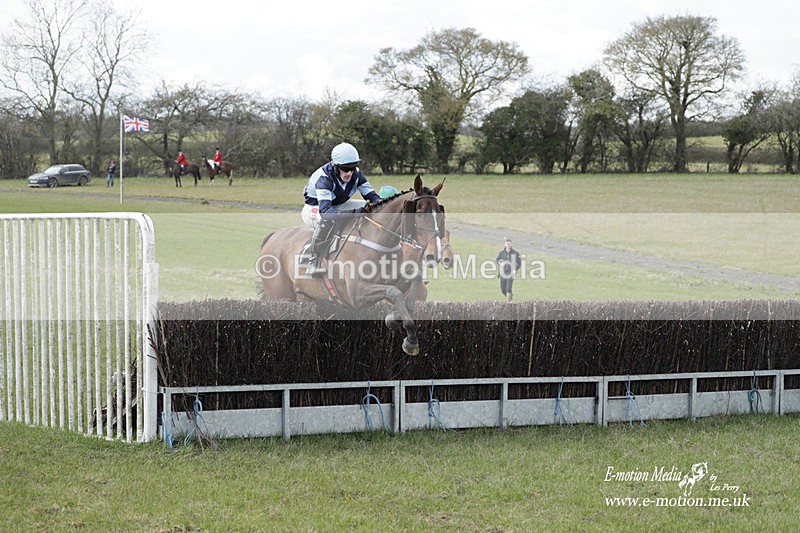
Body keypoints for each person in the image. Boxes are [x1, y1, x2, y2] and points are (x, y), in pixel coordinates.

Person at [301, 142, 381, 276]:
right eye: (345, 168)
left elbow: (374, 199)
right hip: (315, 208)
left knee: (371, 209)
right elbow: (326, 213)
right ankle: (313, 260)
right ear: (335, 166)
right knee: (328, 221)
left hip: (336, 206)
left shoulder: (357, 175)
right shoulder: (324, 179)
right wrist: (354, 214)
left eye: (353, 168)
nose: (349, 173)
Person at [496, 237, 521, 302]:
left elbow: (519, 262)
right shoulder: (501, 253)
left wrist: (515, 269)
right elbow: (497, 259)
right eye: (507, 244)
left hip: (511, 273)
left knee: (508, 288)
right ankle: (510, 296)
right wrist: (499, 262)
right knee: (503, 289)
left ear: (511, 244)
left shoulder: (515, 253)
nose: (508, 245)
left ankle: (508, 302)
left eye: (509, 244)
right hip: (503, 272)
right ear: (505, 244)